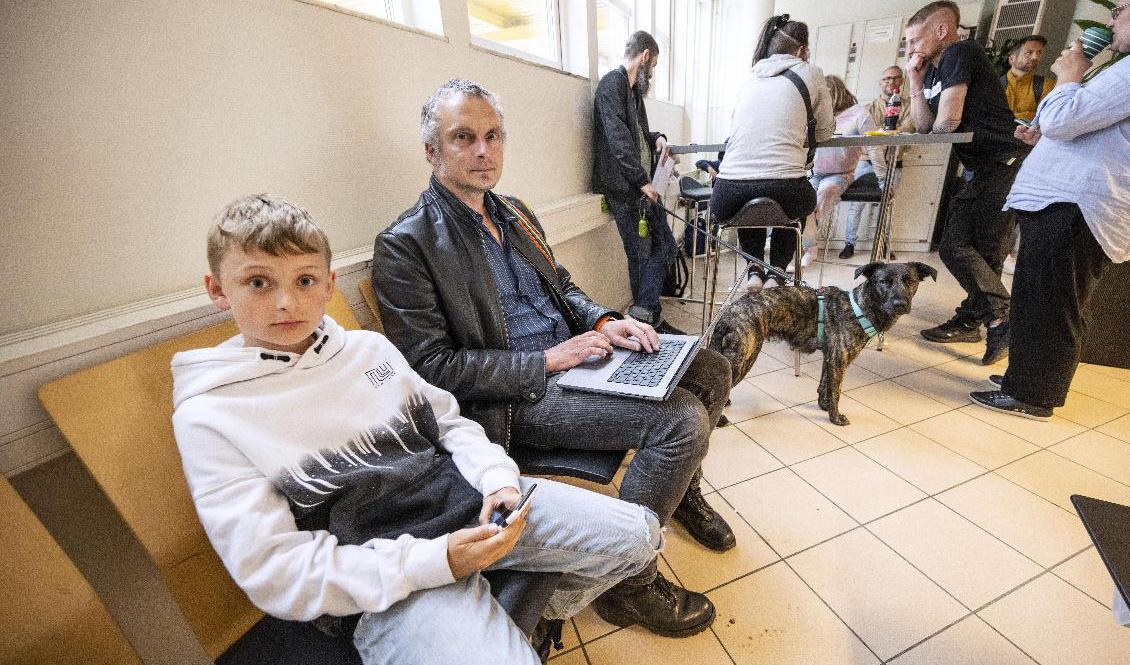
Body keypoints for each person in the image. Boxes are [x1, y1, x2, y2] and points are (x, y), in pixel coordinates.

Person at [171, 194, 661, 665]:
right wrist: (436, 562)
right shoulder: (211, 415)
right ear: (218, 290)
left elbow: (448, 423)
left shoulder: (370, 352)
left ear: (328, 284)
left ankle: (522, 610)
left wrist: (498, 478)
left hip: (469, 506)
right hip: (384, 579)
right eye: (258, 283)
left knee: (642, 536)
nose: (285, 302)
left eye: (304, 281)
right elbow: (274, 573)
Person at [371, 79, 735, 638]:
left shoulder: (513, 212)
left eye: (492, 136)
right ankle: (628, 587)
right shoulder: (407, 244)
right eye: (462, 137)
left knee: (709, 365)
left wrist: (603, 321)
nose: (482, 151)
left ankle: (679, 489)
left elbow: (560, 287)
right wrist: (548, 360)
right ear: (431, 151)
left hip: (574, 363)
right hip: (514, 399)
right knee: (682, 420)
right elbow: (433, 369)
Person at [970, 9, 1130, 420]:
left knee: (1053, 302)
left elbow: (1065, 117)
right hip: (1067, 201)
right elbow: (1077, 124)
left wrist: (1071, 74)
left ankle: (1034, 393)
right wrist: (1043, 130)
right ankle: (1024, 378)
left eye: (1122, 10)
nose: (1112, 18)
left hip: (1079, 204)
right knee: (1038, 297)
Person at [905, 1, 1027, 365]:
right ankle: (976, 320)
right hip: (984, 166)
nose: (910, 48)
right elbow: (925, 125)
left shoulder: (960, 51)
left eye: (915, 39)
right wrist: (913, 79)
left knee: (956, 246)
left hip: (1005, 162)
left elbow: (947, 123)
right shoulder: (930, 71)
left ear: (942, 31)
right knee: (981, 253)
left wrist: (940, 121)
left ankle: (1001, 317)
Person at [709, 14, 834, 289]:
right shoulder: (810, 72)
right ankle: (776, 272)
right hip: (786, 187)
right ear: (802, 50)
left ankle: (754, 270)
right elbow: (825, 132)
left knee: (750, 200)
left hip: (726, 193)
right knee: (794, 203)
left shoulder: (749, 79)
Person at [591, 30, 681, 333]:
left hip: (642, 187)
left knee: (666, 246)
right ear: (645, 57)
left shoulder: (631, 92)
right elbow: (617, 141)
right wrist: (642, 181)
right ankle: (646, 318)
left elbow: (640, 133)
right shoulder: (611, 84)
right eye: (653, 65)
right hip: (626, 188)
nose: (652, 72)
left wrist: (659, 138)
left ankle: (646, 314)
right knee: (642, 254)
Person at [840, 65, 916, 260]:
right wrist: (889, 132)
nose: (891, 82)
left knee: (886, 206)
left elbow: (909, 129)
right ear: (881, 83)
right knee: (856, 205)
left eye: (895, 78)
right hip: (867, 163)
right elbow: (868, 134)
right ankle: (849, 244)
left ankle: (883, 245)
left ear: (902, 81)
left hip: (894, 163)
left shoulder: (908, 106)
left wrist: (885, 132)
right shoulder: (869, 108)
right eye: (887, 78)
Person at [806, 75, 869, 266]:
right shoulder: (819, 117)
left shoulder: (858, 113)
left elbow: (874, 145)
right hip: (815, 172)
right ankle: (807, 245)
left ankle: (807, 247)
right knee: (805, 201)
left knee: (824, 193)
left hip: (841, 173)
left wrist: (883, 179)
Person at [1002, 35, 1055, 122]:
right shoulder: (994, 85)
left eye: (1039, 53)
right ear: (1012, 59)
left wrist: (1007, 118)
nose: (1035, 57)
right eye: (1029, 53)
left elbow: (1046, 119)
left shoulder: (1046, 85)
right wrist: (1029, 115)